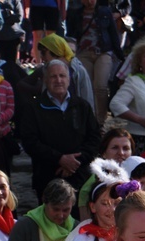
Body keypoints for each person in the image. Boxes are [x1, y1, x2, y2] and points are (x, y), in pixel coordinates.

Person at [21, 60, 101, 203]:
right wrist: (59, 159)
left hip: (80, 177)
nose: (58, 80)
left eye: (62, 76)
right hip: (47, 177)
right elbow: (30, 142)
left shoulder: (82, 106)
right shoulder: (33, 108)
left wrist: (75, 162)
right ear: (45, 80)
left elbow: (94, 139)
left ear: (69, 80)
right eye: (53, 76)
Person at [69, 0, 125, 126]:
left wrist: (120, 55)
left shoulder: (105, 12)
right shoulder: (75, 13)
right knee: (86, 87)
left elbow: (113, 34)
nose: (90, 2)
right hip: (83, 53)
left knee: (100, 86)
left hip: (104, 52)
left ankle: (100, 120)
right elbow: (71, 34)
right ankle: (89, 118)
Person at [77, 128, 134, 220]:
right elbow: (87, 224)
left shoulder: (141, 179)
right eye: (115, 148)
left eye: (126, 148)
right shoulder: (88, 188)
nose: (121, 153)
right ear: (103, 153)